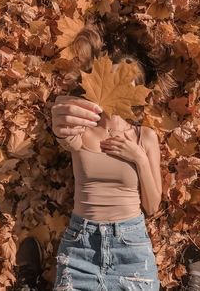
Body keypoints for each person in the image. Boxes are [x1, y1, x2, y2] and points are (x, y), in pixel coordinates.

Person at [51, 22, 162, 290]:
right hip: (81, 245)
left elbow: (153, 206)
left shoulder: (144, 137)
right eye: (113, 80)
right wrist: (59, 119)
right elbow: (63, 134)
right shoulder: (82, 127)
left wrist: (139, 158)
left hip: (131, 245)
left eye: (128, 86)